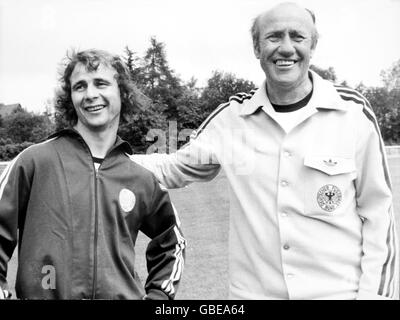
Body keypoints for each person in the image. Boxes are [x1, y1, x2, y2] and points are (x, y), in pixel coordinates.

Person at [131, 2, 399, 299]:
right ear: (257, 48)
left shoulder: (353, 112)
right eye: (274, 37)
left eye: (297, 37)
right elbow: (172, 168)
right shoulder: (231, 118)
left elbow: (378, 216)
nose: (286, 48)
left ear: (313, 45)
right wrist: (96, 161)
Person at [0, 49, 186, 299]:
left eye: (101, 83)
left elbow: (172, 241)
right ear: (70, 98)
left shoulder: (140, 178)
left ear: (122, 93)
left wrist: (159, 297)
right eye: (79, 86)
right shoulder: (35, 161)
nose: (90, 94)